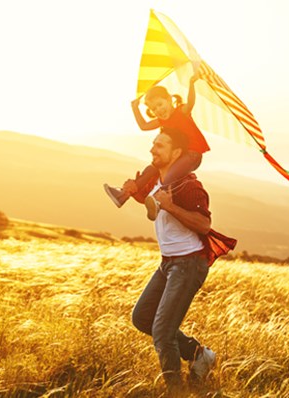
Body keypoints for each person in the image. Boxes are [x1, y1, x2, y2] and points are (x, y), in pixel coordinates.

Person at [129, 127, 236, 395]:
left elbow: (203, 223)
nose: (153, 149)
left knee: (163, 333)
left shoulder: (188, 185)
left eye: (160, 145)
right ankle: (199, 354)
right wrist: (133, 192)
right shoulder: (158, 183)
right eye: (153, 143)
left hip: (188, 264)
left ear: (177, 153)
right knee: (142, 317)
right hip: (168, 263)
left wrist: (170, 206)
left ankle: (175, 392)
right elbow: (152, 202)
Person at [104, 74, 210, 221]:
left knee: (170, 175)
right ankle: (123, 195)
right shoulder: (161, 121)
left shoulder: (181, 112)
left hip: (192, 156)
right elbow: (143, 126)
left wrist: (191, 84)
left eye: (160, 104)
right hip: (176, 156)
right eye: (154, 108)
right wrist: (135, 108)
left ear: (169, 99)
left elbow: (190, 103)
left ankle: (159, 202)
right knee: (151, 169)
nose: (158, 110)